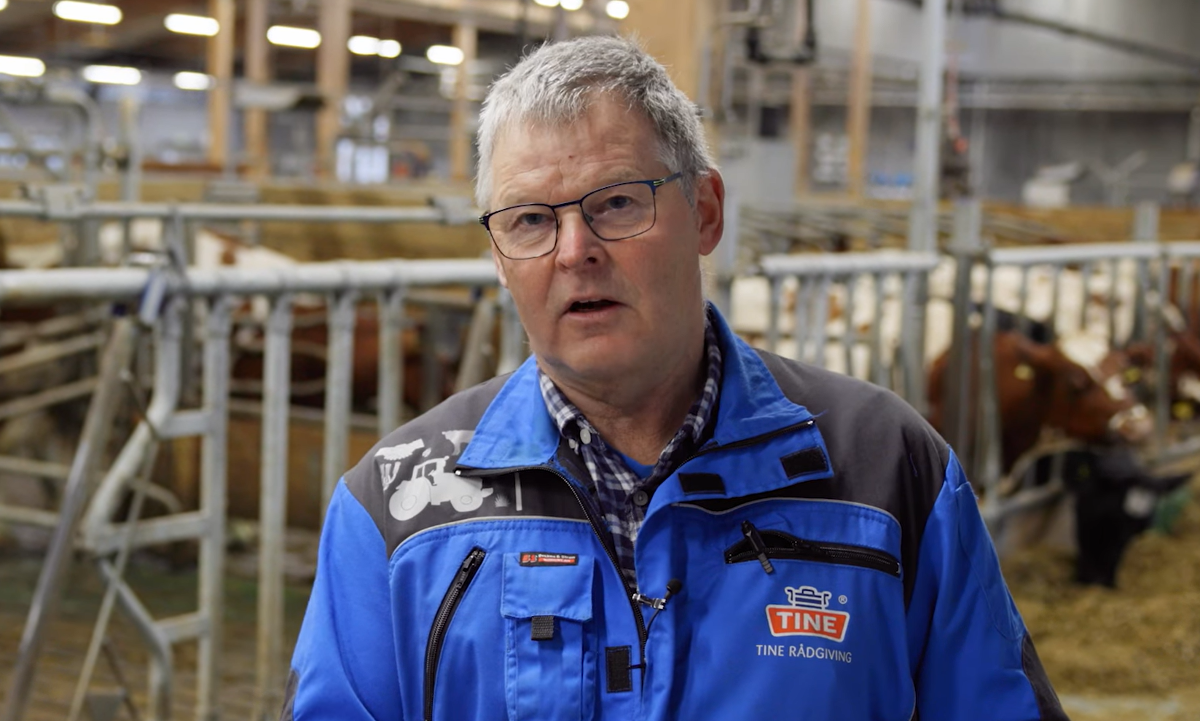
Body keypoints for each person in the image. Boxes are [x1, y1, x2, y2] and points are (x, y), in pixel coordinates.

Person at [282, 35, 1067, 721]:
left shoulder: (886, 468)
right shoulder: (397, 506)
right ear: (497, 256)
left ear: (706, 213)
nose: (572, 251)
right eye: (530, 220)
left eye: (617, 203)